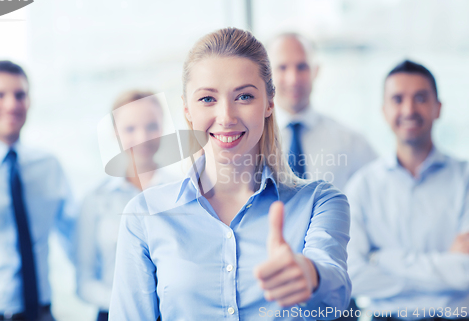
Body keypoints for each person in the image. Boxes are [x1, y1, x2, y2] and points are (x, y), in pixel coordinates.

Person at [109, 28, 351, 320]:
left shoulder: (319, 203)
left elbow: (336, 296)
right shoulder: (145, 215)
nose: (226, 117)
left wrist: (309, 276)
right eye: (208, 99)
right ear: (187, 110)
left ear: (269, 103)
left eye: (244, 96)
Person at [347, 60, 469, 320]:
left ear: (438, 108)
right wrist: (442, 271)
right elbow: (352, 276)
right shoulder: (362, 186)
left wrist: (382, 260)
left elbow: (465, 272)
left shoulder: (466, 178)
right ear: (383, 110)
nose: (409, 109)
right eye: (398, 99)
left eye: (421, 98)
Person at [0, 61, 77, 321]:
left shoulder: (48, 166)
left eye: (20, 95)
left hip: (41, 314)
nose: (11, 104)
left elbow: (75, 236)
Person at [75, 90, 178, 321]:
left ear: (162, 128)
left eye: (151, 126)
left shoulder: (183, 192)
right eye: (130, 129)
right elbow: (84, 281)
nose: (142, 136)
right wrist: (131, 304)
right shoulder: (95, 199)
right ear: (115, 132)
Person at [269, 33, 377, 191]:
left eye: (302, 67)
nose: (293, 79)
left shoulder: (350, 142)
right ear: (267, 74)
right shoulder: (250, 142)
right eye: (282, 67)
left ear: (316, 71)